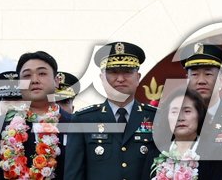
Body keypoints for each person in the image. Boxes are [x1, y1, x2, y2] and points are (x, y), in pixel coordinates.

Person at [64, 43, 156, 180]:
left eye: (127, 71)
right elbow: (73, 175)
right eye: (112, 72)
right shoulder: (83, 120)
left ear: (138, 77)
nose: (120, 79)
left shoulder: (157, 117)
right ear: (102, 78)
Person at [0, 52, 72, 180]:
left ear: (56, 81)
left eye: (42, 73)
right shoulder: (1, 127)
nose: (34, 80)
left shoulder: (75, 124)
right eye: (27, 75)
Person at [150, 89, 222, 180]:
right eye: (174, 112)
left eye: (187, 111)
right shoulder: (156, 153)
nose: (180, 118)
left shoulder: (215, 153)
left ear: (200, 115)